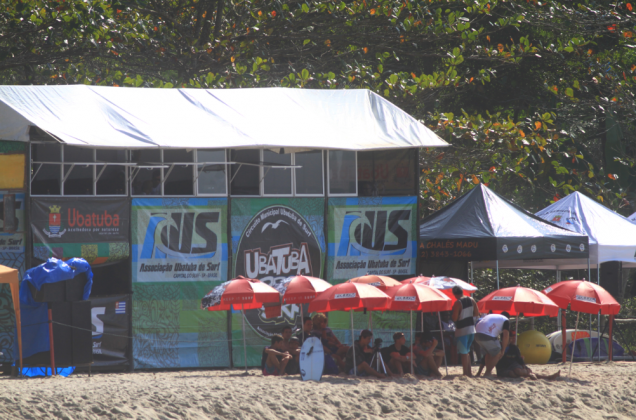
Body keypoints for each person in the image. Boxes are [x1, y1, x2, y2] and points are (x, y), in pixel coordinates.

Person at [451, 285, 479, 377]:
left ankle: (465, 373)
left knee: (463, 353)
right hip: (471, 329)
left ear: (454, 294)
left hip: (462, 330)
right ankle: (469, 372)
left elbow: (455, 318)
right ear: (462, 291)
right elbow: (476, 313)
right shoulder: (471, 299)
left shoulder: (458, 303)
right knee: (467, 351)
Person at [474, 312, 511, 377]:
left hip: (477, 335)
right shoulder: (506, 320)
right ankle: (488, 373)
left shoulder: (494, 316)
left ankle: (487, 372)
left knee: (489, 353)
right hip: (486, 335)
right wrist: (503, 350)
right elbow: (506, 335)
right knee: (498, 353)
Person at [495, 344, 561, 380]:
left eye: (513, 336)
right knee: (513, 373)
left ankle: (548, 377)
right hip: (503, 369)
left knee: (519, 371)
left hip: (514, 367)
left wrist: (525, 368)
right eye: (510, 337)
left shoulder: (514, 348)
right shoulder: (498, 347)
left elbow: (519, 360)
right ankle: (531, 374)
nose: (512, 339)